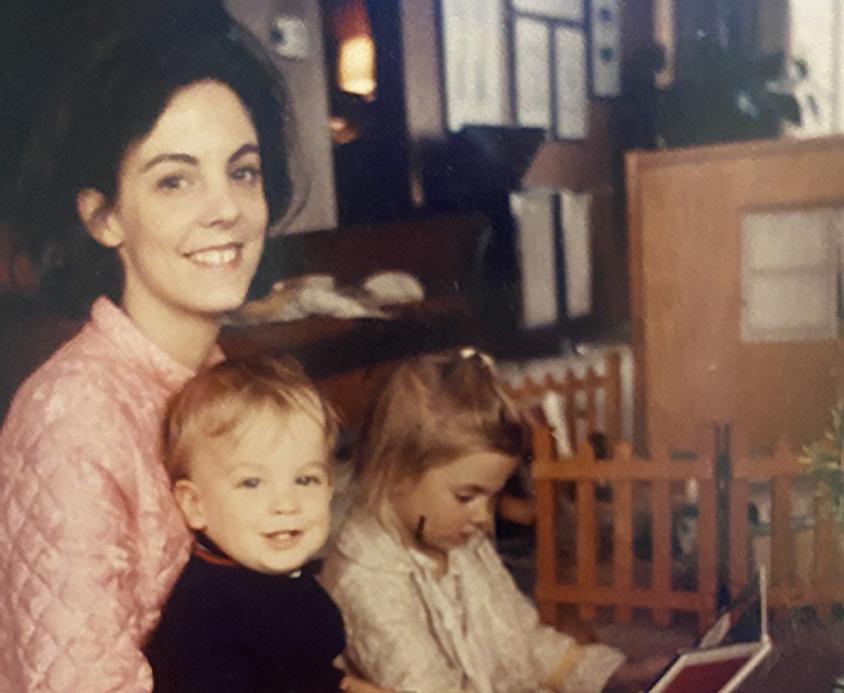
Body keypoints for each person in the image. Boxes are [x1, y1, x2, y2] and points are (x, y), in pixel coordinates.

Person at [0, 16, 295, 692]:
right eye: (174, 180)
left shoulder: (226, 381)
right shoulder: (71, 416)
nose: (226, 208)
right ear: (103, 217)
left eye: (242, 171)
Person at [321, 348, 627, 692]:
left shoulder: (460, 541)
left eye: (492, 496)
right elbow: (427, 686)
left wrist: (609, 674)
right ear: (397, 476)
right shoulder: (364, 578)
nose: (483, 517)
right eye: (466, 497)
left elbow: (525, 640)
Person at [146, 355, 357, 692]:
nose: (286, 504)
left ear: (331, 488)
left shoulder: (280, 580)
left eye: (305, 480)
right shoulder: (207, 614)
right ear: (194, 504)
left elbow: (306, 671)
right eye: (252, 483)